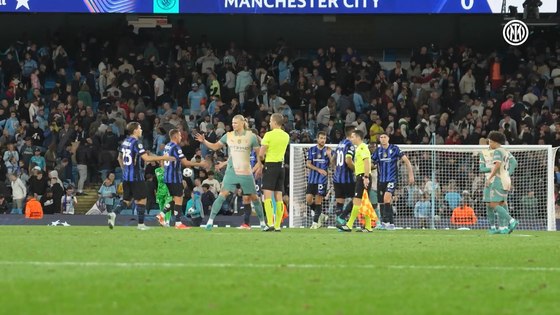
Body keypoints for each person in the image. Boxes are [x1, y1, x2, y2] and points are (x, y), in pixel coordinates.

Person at [195, 115, 266, 230]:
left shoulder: (251, 137)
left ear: (242, 123)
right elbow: (214, 147)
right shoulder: (228, 136)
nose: (233, 125)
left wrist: (260, 167)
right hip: (231, 172)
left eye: (235, 123)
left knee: (254, 198)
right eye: (232, 123)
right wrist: (204, 141)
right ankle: (210, 222)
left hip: (245, 172)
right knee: (222, 195)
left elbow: (259, 155)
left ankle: (263, 223)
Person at [108, 122, 174, 230]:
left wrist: (125, 170)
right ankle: (141, 224)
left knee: (127, 200)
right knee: (142, 199)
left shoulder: (125, 142)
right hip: (136, 176)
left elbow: (119, 158)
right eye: (140, 128)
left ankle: (114, 214)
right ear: (135, 130)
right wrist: (163, 158)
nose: (141, 130)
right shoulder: (136, 143)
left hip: (126, 176)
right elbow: (146, 158)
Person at [156, 129, 206, 229]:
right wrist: (199, 164)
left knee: (176, 198)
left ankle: (162, 214)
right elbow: (186, 163)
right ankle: (178, 223)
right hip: (174, 177)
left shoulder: (167, 146)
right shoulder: (176, 147)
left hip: (168, 176)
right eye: (179, 135)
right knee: (178, 199)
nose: (181, 137)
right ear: (175, 137)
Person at [371, 133, 414, 230]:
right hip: (381, 180)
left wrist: (411, 174)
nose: (382, 139)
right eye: (381, 137)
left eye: (384, 137)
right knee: (383, 201)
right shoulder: (378, 151)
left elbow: (406, 161)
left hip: (392, 179)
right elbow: (373, 163)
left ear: (388, 138)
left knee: (386, 198)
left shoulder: (395, 149)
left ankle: (385, 221)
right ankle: (391, 223)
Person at [337, 130, 373, 232]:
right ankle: (368, 227)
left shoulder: (362, 147)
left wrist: (365, 177)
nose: (351, 139)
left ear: (358, 137)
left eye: (352, 137)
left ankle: (349, 225)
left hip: (363, 177)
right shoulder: (360, 148)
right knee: (364, 202)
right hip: (361, 176)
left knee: (356, 201)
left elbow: (366, 162)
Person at [259, 113, 290, 232]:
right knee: (279, 196)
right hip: (281, 166)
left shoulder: (268, 135)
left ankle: (270, 223)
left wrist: (263, 162)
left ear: (275, 123)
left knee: (267, 194)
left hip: (270, 165)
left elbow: (261, 154)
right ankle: (278, 225)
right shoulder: (286, 136)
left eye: (271, 121)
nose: (270, 123)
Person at [484, 131, 519, 234]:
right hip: (506, 179)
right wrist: (508, 173)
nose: (489, 144)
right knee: (502, 203)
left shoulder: (497, 151)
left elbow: (497, 165)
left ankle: (512, 221)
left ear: (496, 142)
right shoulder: (505, 150)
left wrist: (490, 177)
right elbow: (514, 162)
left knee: (494, 204)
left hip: (499, 179)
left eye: (490, 142)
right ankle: (502, 228)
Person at [306, 131, 333, 229]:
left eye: (324, 138)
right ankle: (320, 214)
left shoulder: (328, 150)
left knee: (318, 200)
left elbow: (333, 165)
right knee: (308, 199)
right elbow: (308, 164)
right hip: (312, 179)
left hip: (322, 180)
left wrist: (330, 156)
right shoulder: (312, 150)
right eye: (321, 138)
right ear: (317, 139)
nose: (323, 140)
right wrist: (318, 169)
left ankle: (315, 223)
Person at [334, 126, 356, 226]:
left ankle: (339, 223)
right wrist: (356, 170)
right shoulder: (350, 145)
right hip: (347, 178)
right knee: (356, 199)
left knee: (340, 201)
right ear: (352, 134)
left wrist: (338, 168)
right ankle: (343, 217)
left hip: (337, 177)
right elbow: (348, 161)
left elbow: (333, 159)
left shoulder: (340, 144)